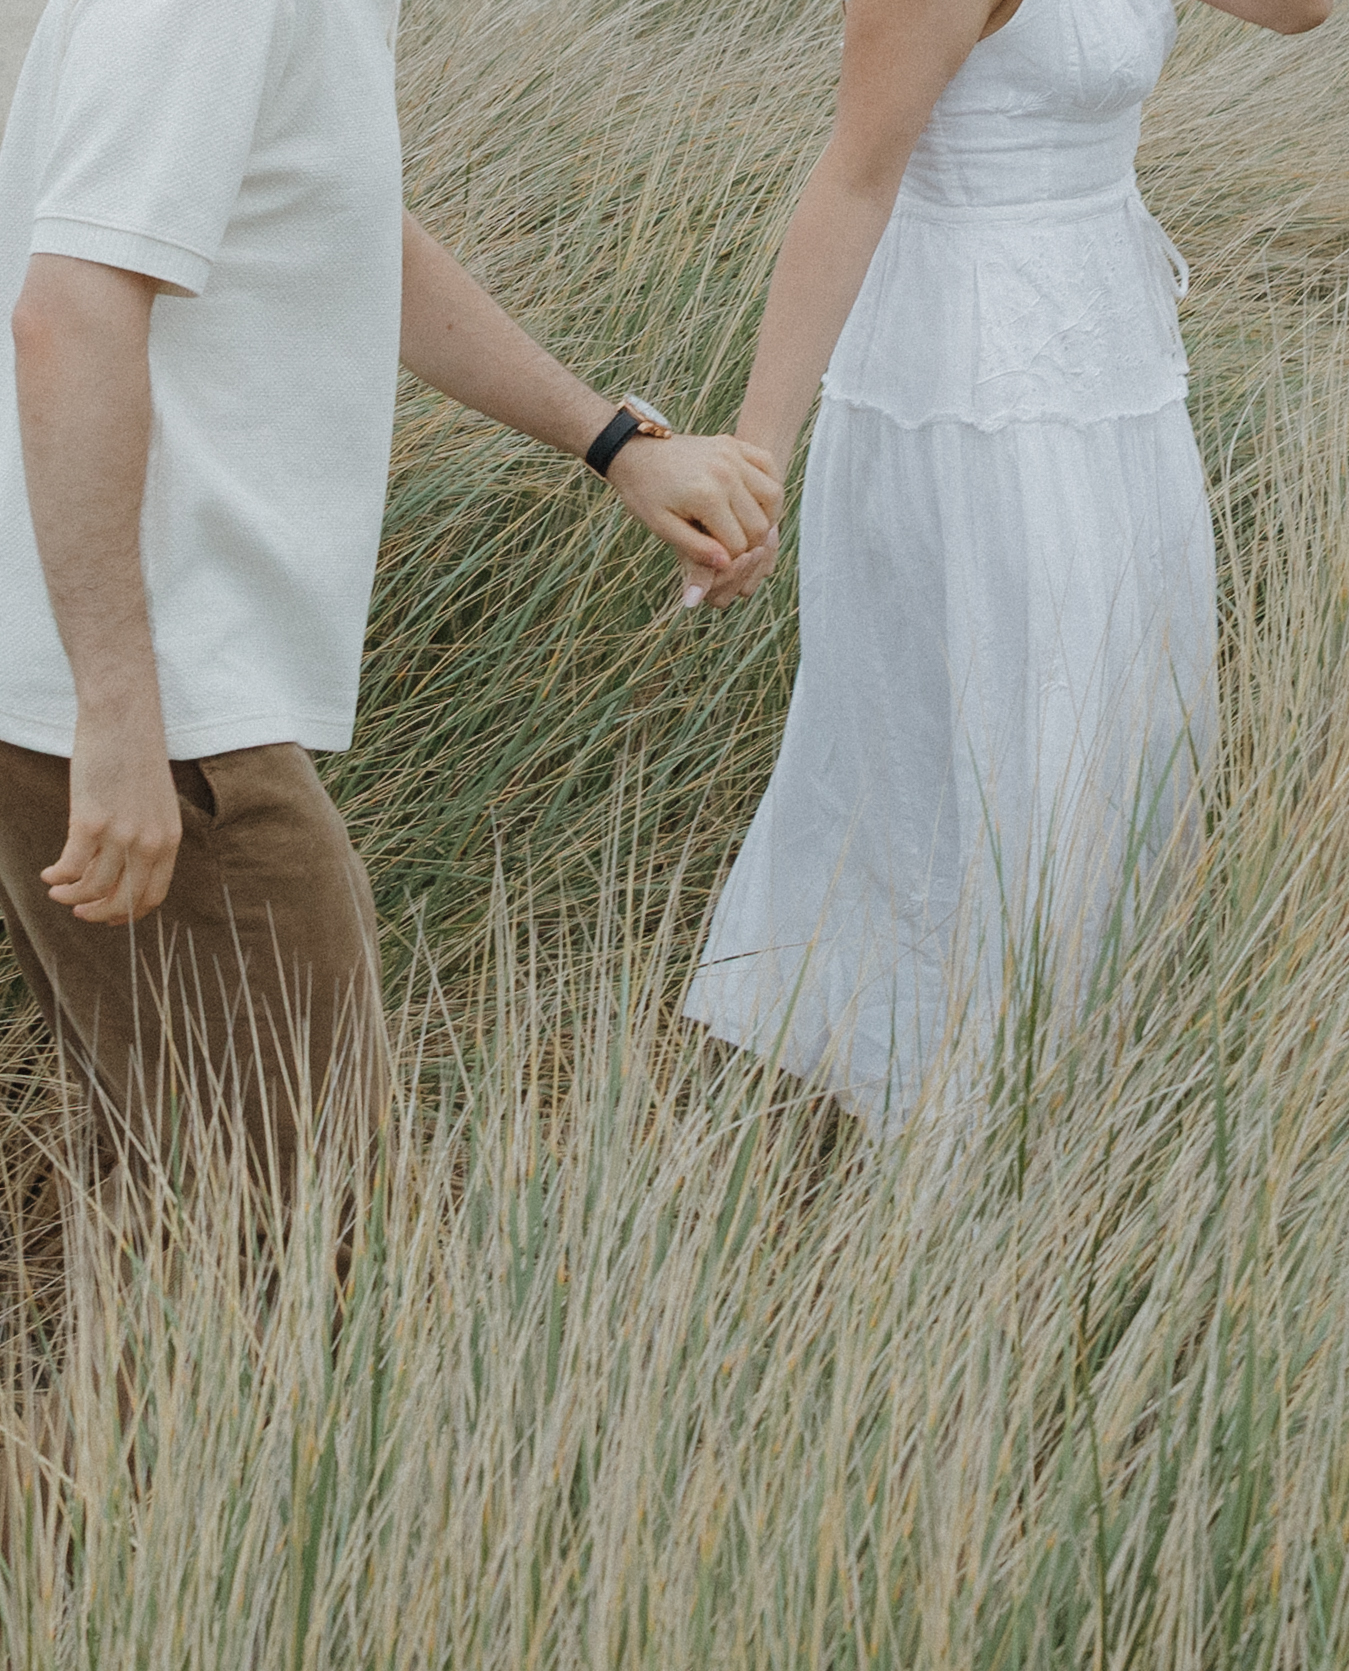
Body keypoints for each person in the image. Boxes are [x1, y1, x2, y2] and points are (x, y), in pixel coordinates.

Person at [0, 0, 783, 1198]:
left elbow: (338, 215)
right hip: (154, 703)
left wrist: (614, 441)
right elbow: (70, 314)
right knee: (300, 1231)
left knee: (198, 1212)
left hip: (150, 686)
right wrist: (117, 713)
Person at [685, 0, 1329, 1127]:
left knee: (1131, 730)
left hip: (1111, 361)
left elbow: (1298, 10)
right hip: (971, 388)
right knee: (1007, 750)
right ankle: (948, 1112)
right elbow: (854, 175)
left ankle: (1075, 1090)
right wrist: (754, 461)